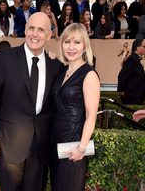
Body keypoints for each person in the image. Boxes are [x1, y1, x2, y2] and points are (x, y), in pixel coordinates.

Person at [0, 12, 62, 191]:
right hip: (9, 144)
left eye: (41, 30)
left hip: (40, 148)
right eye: (31, 28)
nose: (35, 34)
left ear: (49, 35)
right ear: (25, 30)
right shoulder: (4, 59)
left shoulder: (55, 66)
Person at [49, 23, 100, 191]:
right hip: (55, 142)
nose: (71, 47)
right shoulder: (62, 71)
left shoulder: (89, 74)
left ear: (85, 46)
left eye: (77, 42)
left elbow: (91, 116)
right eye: (67, 42)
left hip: (74, 145)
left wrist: (82, 148)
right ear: (61, 44)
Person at [117, 39, 145, 105]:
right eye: (144, 46)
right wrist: (121, 91)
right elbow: (122, 75)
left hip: (136, 96)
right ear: (138, 48)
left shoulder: (136, 59)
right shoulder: (132, 59)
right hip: (132, 97)